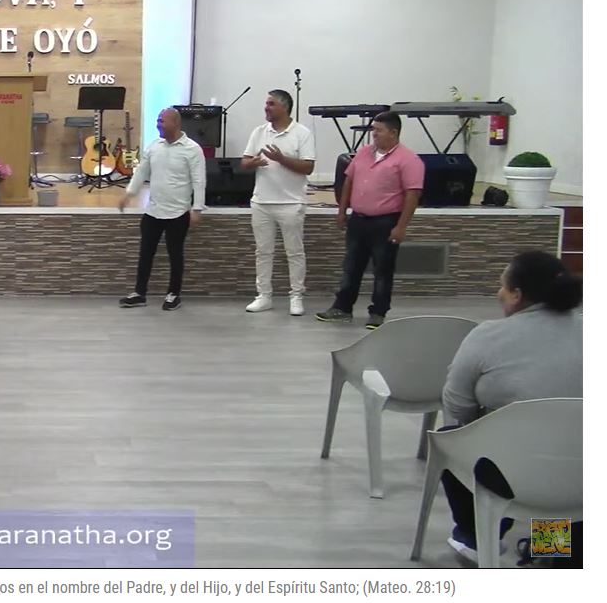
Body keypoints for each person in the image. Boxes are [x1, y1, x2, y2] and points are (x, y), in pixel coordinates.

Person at [439, 251, 582, 564]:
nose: (498, 292)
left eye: (502, 286)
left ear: (517, 295)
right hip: (584, 475)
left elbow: (457, 408)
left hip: (513, 474)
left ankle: (478, 536)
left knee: (450, 437)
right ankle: (555, 545)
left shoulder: (488, 335)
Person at [316, 111, 423, 329]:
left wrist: (401, 227)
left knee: (382, 269)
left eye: (378, 130)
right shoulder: (364, 152)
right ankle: (342, 308)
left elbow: (413, 195)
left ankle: (378, 312)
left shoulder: (409, 160)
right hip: (358, 220)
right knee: (351, 266)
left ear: (393, 132)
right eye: (373, 129)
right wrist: (341, 211)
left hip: (386, 222)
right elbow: (348, 181)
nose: (373, 134)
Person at [117, 107, 206, 311]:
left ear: (176, 123)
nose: (158, 124)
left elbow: (199, 180)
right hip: (153, 211)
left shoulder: (192, 149)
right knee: (145, 253)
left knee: (175, 255)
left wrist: (197, 209)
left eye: (162, 121)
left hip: (178, 213)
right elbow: (141, 172)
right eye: (157, 120)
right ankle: (139, 293)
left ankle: (174, 294)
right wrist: (129, 194)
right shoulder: (154, 146)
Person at [240, 89, 315, 316]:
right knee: (263, 252)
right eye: (266, 103)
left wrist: (280, 159)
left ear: (284, 107)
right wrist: (253, 162)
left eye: (271, 104)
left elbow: (308, 167)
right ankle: (264, 296)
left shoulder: (302, 133)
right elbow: (244, 162)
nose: (266, 107)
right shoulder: (259, 132)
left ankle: (296, 297)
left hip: (291, 203)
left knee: (294, 252)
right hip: (261, 202)